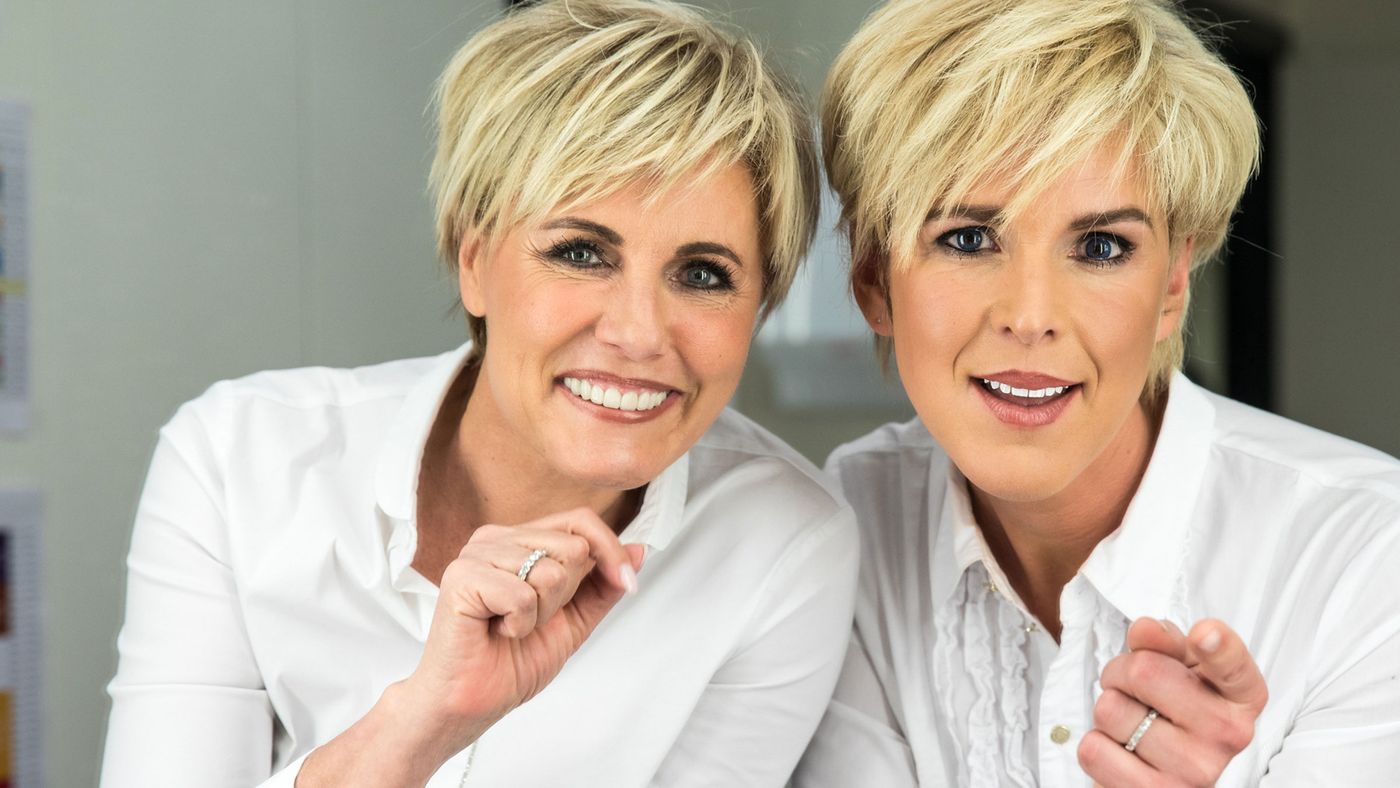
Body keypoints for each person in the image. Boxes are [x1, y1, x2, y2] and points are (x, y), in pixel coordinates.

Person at [100, 2, 859, 786]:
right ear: (474, 262)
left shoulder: (783, 543)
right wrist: (421, 724)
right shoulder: (235, 463)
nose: (639, 333)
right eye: (580, 253)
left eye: (703, 274)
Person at [795, 0, 1400, 785]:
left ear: (1174, 284)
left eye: (1102, 246)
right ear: (874, 279)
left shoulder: (1366, 562)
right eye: (968, 239)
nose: (1031, 317)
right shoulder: (844, 529)